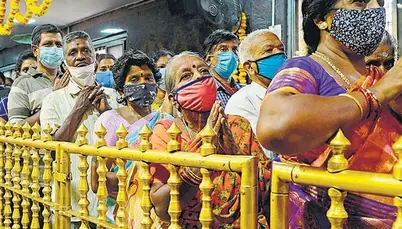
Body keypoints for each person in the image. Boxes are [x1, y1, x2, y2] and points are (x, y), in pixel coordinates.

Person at [257, 0, 402, 227]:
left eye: (379, 1)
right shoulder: (306, 69)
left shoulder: (382, 78)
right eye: (361, 0)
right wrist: (373, 96)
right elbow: (274, 128)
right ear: (320, 18)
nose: (375, 10)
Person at [126, 52, 270, 229]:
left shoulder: (238, 125)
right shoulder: (166, 133)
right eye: (186, 75)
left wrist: (235, 155)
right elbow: (163, 208)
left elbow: (269, 189)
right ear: (174, 99)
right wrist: (199, 161)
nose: (199, 77)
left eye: (204, 71)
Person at [40, 31, 120, 228]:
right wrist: (79, 107)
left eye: (86, 50)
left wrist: (108, 114)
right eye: (73, 52)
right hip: (72, 202)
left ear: (94, 56)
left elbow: (128, 141)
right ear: (64, 63)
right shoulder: (53, 100)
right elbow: (52, 147)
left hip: (111, 205)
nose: (80, 56)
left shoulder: (113, 96)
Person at [91, 50, 172, 223]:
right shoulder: (110, 120)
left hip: (160, 210)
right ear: (121, 90)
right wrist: (136, 177)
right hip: (121, 211)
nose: (143, 84)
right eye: (134, 80)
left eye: (148, 78)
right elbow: (97, 181)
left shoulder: (166, 120)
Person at [225, 29, 286, 159]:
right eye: (269, 50)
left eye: (281, 49)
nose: (279, 54)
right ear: (249, 67)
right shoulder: (242, 102)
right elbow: (263, 151)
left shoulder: (296, 91)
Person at [7, 25, 70, 128]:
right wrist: (54, 99)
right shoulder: (23, 83)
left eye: (58, 45)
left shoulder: (69, 78)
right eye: (48, 44)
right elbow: (16, 129)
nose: (54, 49)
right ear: (35, 50)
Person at [0, 50, 38, 133]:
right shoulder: (7, 100)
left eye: (35, 69)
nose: (31, 72)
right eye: (25, 70)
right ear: (18, 74)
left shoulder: (47, 93)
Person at [203, 29, 242, 108]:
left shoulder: (243, 90)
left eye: (234, 49)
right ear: (209, 59)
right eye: (223, 49)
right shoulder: (204, 92)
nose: (231, 54)